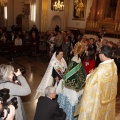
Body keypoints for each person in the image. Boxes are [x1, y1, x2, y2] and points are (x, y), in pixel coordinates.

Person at [74, 45, 118, 120]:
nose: (99, 56)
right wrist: (94, 72)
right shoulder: (113, 65)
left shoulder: (101, 69)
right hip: (107, 97)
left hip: (99, 99)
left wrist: (90, 75)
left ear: (103, 55)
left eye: (99, 55)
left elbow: (90, 83)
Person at [56, 42, 86, 120]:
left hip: (71, 88)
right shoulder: (79, 60)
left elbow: (68, 73)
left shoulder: (74, 61)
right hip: (79, 86)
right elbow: (81, 73)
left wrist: (64, 78)